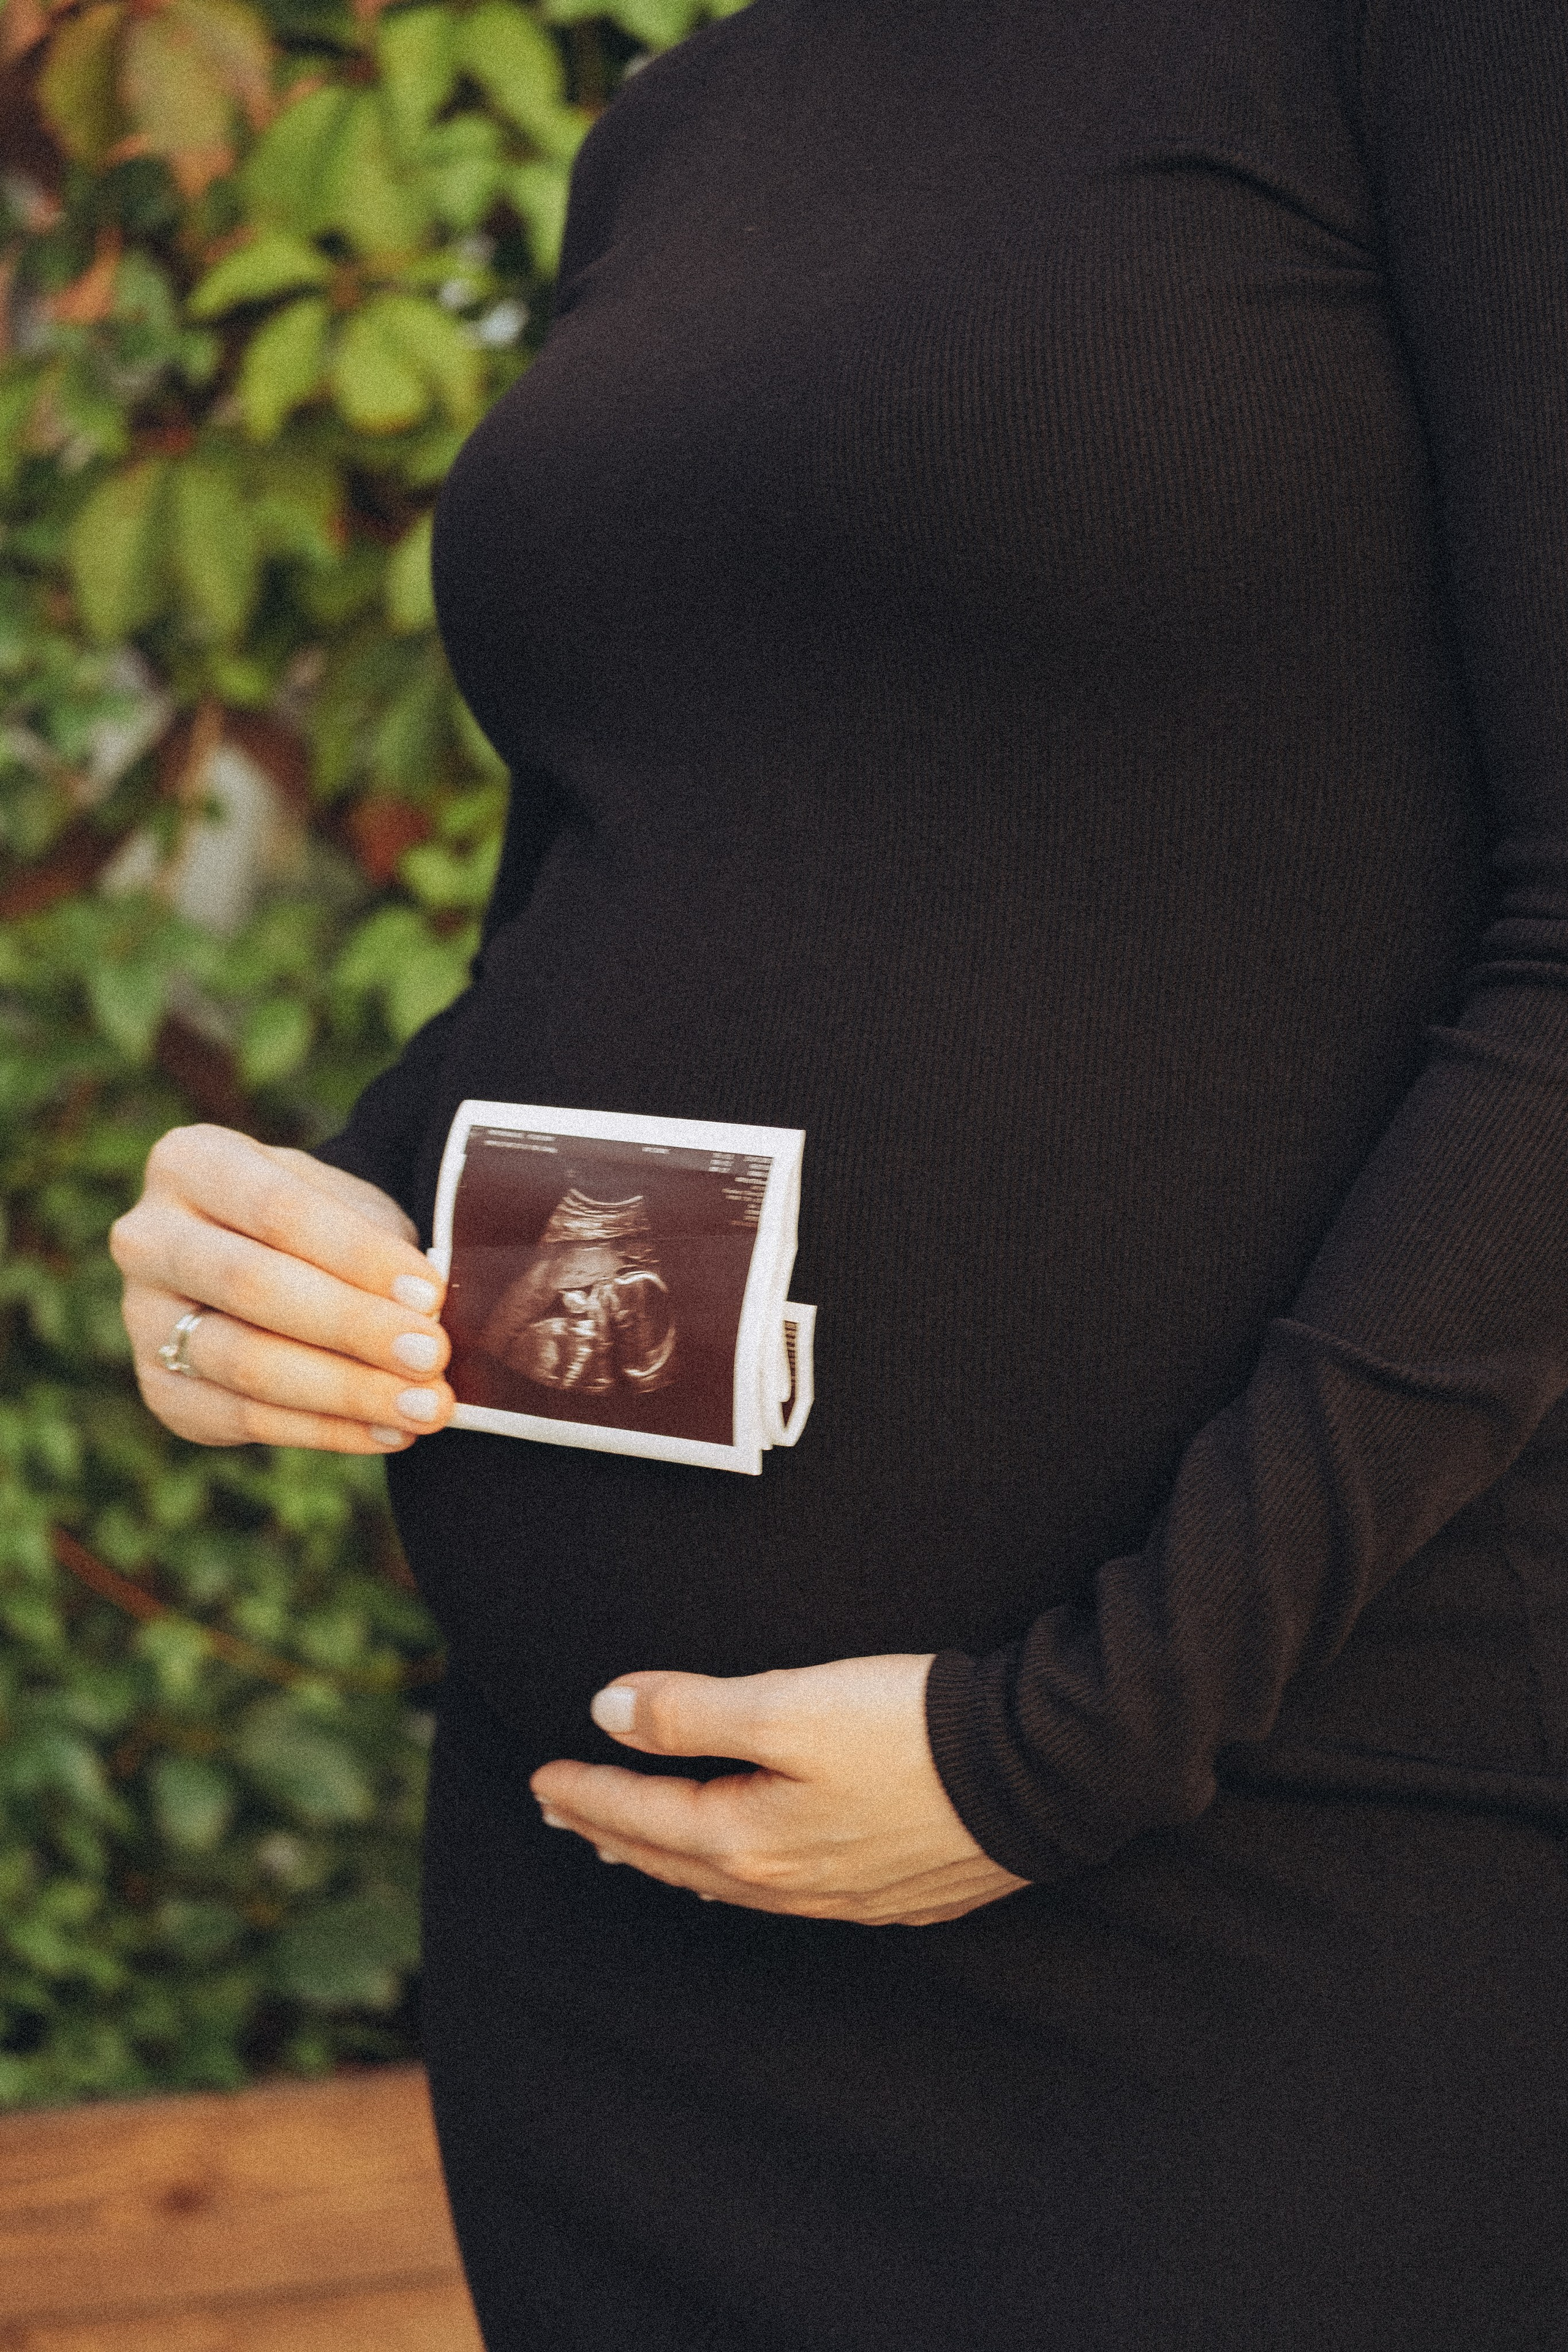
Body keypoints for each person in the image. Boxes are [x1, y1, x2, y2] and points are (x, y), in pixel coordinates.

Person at [111, 1, 1568, 2344]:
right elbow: (627, 889)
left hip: (1277, 1859)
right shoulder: (688, 119)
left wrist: (1068, 1744)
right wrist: (316, 1218)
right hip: (605, 1899)